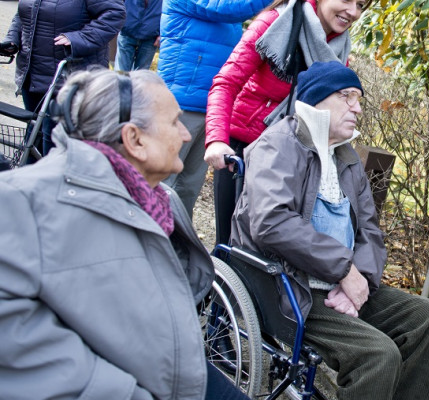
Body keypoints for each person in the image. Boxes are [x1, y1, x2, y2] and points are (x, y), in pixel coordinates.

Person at [0, 69, 247, 399]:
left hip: (182, 372)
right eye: (175, 123)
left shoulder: (157, 198)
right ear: (134, 139)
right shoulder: (20, 203)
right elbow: (18, 347)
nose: (186, 136)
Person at [230, 61, 429, 399]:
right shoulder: (278, 145)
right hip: (286, 285)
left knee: (428, 318)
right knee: (377, 356)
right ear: (316, 99)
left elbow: (370, 230)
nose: (358, 108)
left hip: (335, 281)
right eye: (347, 96)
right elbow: (271, 223)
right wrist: (343, 269)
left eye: (359, 99)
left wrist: (358, 279)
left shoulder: (344, 157)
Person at [205, 0, 364, 245]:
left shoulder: (338, 49)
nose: (353, 12)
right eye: (346, 0)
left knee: (274, 246)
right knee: (231, 243)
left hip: (291, 156)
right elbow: (225, 83)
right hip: (245, 149)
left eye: (361, 4)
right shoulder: (275, 23)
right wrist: (216, 140)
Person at [157, 0, 274, 216]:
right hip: (180, 104)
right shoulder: (216, 5)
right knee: (161, 182)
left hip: (214, 110)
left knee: (189, 187)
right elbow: (231, 9)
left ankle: (180, 245)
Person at [1, 0, 125, 155]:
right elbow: (23, 14)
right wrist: (12, 39)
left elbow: (115, 14)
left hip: (70, 76)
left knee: (53, 143)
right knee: (33, 138)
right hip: (32, 73)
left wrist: (79, 39)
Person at [114, 0, 161, 71]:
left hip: (151, 37)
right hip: (127, 32)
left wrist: (161, 34)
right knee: (121, 72)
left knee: (142, 75)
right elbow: (116, 4)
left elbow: (170, 13)